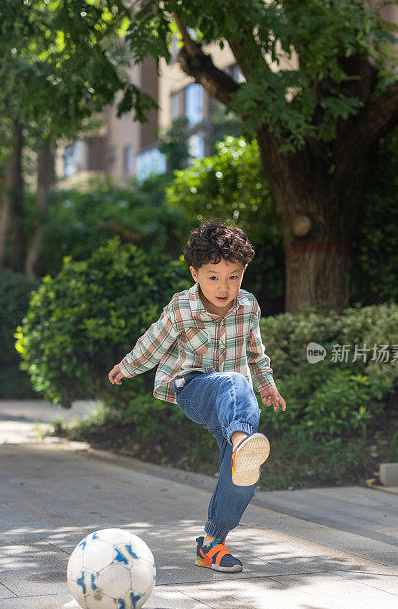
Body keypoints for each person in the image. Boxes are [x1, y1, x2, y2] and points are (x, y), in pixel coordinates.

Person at [108, 220, 286, 573]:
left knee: (243, 475)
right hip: (191, 389)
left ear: (244, 272)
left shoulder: (249, 307)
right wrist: (126, 367)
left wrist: (266, 383)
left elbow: (255, 352)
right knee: (235, 382)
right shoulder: (181, 308)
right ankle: (241, 442)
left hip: (233, 405)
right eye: (213, 276)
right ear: (195, 273)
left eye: (233, 276)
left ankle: (212, 543)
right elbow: (153, 342)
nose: (224, 287)